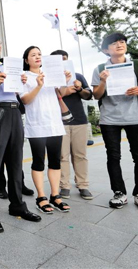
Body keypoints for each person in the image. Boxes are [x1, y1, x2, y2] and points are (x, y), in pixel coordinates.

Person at [0, 34, 41, 234]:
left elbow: (18, 93)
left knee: (15, 163)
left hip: (14, 112)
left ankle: (18, 206)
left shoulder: (8, 66)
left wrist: (20, 82)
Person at [92, 32, 138, 213]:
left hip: (135, 117)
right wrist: (103, 80)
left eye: (122, 42)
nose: (119, 45)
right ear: (106, 49)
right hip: (110, 119)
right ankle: (119, 192)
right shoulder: (100, 68)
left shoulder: (137, 65)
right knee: (113, 156)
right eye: (114, 43)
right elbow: (96, 94)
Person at [20, 46, 71, 214]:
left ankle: (55, 196)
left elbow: (62, 93)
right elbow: (25, 100)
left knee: (55, 161)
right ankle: (41, 197)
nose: (37, 57)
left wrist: (66, 80)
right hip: (37, 125)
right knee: (38, 161)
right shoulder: (24, 77)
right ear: (26, 60)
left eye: (39, 54)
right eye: (33, 55)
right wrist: (38, 85)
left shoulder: (51, 73)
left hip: (54, 124)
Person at [50, 50, 93, 200]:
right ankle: (64, 185)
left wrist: (79, 88)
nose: (62, 62)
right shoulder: (49, 79)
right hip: (58, 122)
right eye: (58, 60)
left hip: (79, 120)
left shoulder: (78, 76)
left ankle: (83, 185)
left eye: (65, 59)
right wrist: (64, 90)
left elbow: (88, 95)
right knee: (62, 156)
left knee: (80, 155)